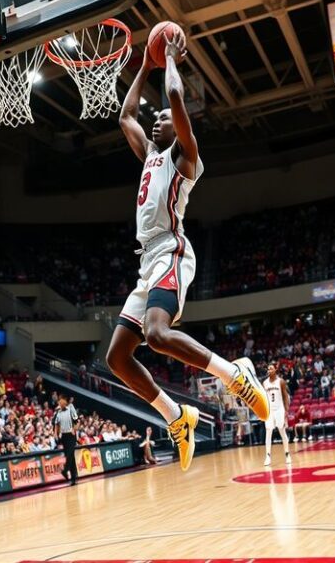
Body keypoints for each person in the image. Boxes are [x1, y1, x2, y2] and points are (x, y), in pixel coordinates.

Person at [106, 27, 269, 472]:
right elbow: (125, 117)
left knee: (157, 336)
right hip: (147, 262)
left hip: (172, 252)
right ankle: (176, 416)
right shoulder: (149, 157)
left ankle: (233, 373)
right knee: (117, 357)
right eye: (154, 118)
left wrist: (172, 58)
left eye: (162, 118)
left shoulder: (185, 158)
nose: (156, 118)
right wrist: (145, 64)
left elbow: (177, 101)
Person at [263, 363, 291, 466]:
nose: (269, 370)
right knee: (268, 431)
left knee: (282, 431)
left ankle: (287, 454)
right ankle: (268, 456)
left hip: (279, 409)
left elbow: (285, 396)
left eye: (271, 368)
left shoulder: (281, 382)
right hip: (270, 411)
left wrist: (286, 410)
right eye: (268, 369)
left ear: (275, 370)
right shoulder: (265, 383)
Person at [53, 394, 78, 485]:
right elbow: (56, 424)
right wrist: (55, 433)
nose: (59, 402)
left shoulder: (71, 408)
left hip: (71, 435)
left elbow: (77, 422)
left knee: (70, 454)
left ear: (65, 401)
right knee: (70, 457)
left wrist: (74, 429)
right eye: (59, 401)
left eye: (60, 400)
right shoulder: (58, 412)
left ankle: (65, 470)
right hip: (64, 436)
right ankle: (74, 477)